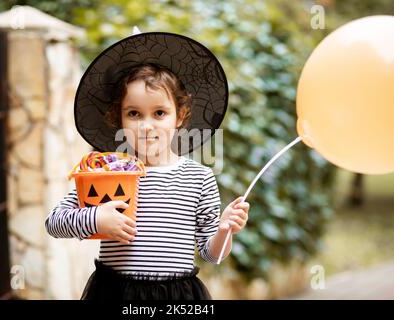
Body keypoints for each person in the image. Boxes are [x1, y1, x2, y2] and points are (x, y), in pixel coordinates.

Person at [45, 32, 250, 300]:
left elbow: (213, 255)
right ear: (118, 117)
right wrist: (96, 219)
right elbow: (54, 222)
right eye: (134, 113)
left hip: (177, 296)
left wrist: (224, 230)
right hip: (115, 292)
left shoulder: (199, 178)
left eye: (159, 113)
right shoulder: (106, 173)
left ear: (180, 115)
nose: (146, 125)